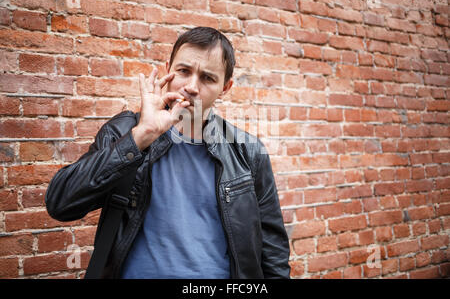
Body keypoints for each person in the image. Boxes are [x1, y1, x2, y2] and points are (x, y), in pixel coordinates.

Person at [45, 26, 290, 279]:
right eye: (184, 71)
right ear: (168, 70)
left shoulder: (247, 151)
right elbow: (60, 204)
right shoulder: (124, 132)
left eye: (208, 78)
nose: (192, 86)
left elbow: (273, 251)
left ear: (225, 88)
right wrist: (142, 136)